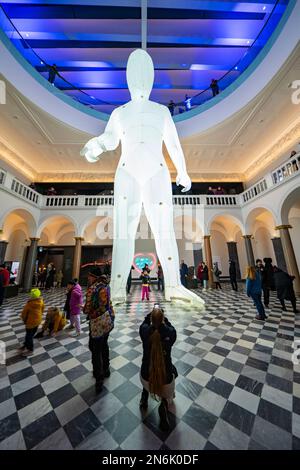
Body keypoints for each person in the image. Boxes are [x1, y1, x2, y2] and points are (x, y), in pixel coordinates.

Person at [139, 307, 177, 431]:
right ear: (162, 320)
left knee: (146, 368)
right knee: (173, 371)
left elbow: (143, 325)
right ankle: (164, 403)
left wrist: (149, 317)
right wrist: (164, 320)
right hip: (165, 381)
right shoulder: (170, 333)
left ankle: (144, 397)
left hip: (146, 378)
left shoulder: (145, 332)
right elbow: (172, 329)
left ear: (151, 319)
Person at [84, 268, 115, 393]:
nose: (88, 278)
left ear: (94, 276)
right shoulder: (106, 286)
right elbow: (107, 303)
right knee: (104, 345)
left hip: (97, 322)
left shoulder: (93, 288)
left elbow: (88, 308)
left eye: (89, 276)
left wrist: (84, 310)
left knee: (95, 348)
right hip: (107, 320)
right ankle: (106, 368)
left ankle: (99, 377)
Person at [19, 288, 44, 356]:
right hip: (38, 321)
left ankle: (30, 350)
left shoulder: (29, 304)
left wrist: (24, 320)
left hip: (30, 322)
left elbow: (24, 314)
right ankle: (26, 344)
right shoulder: (41, 301)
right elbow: (42, 309)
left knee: (28, 336)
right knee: (31, 334)